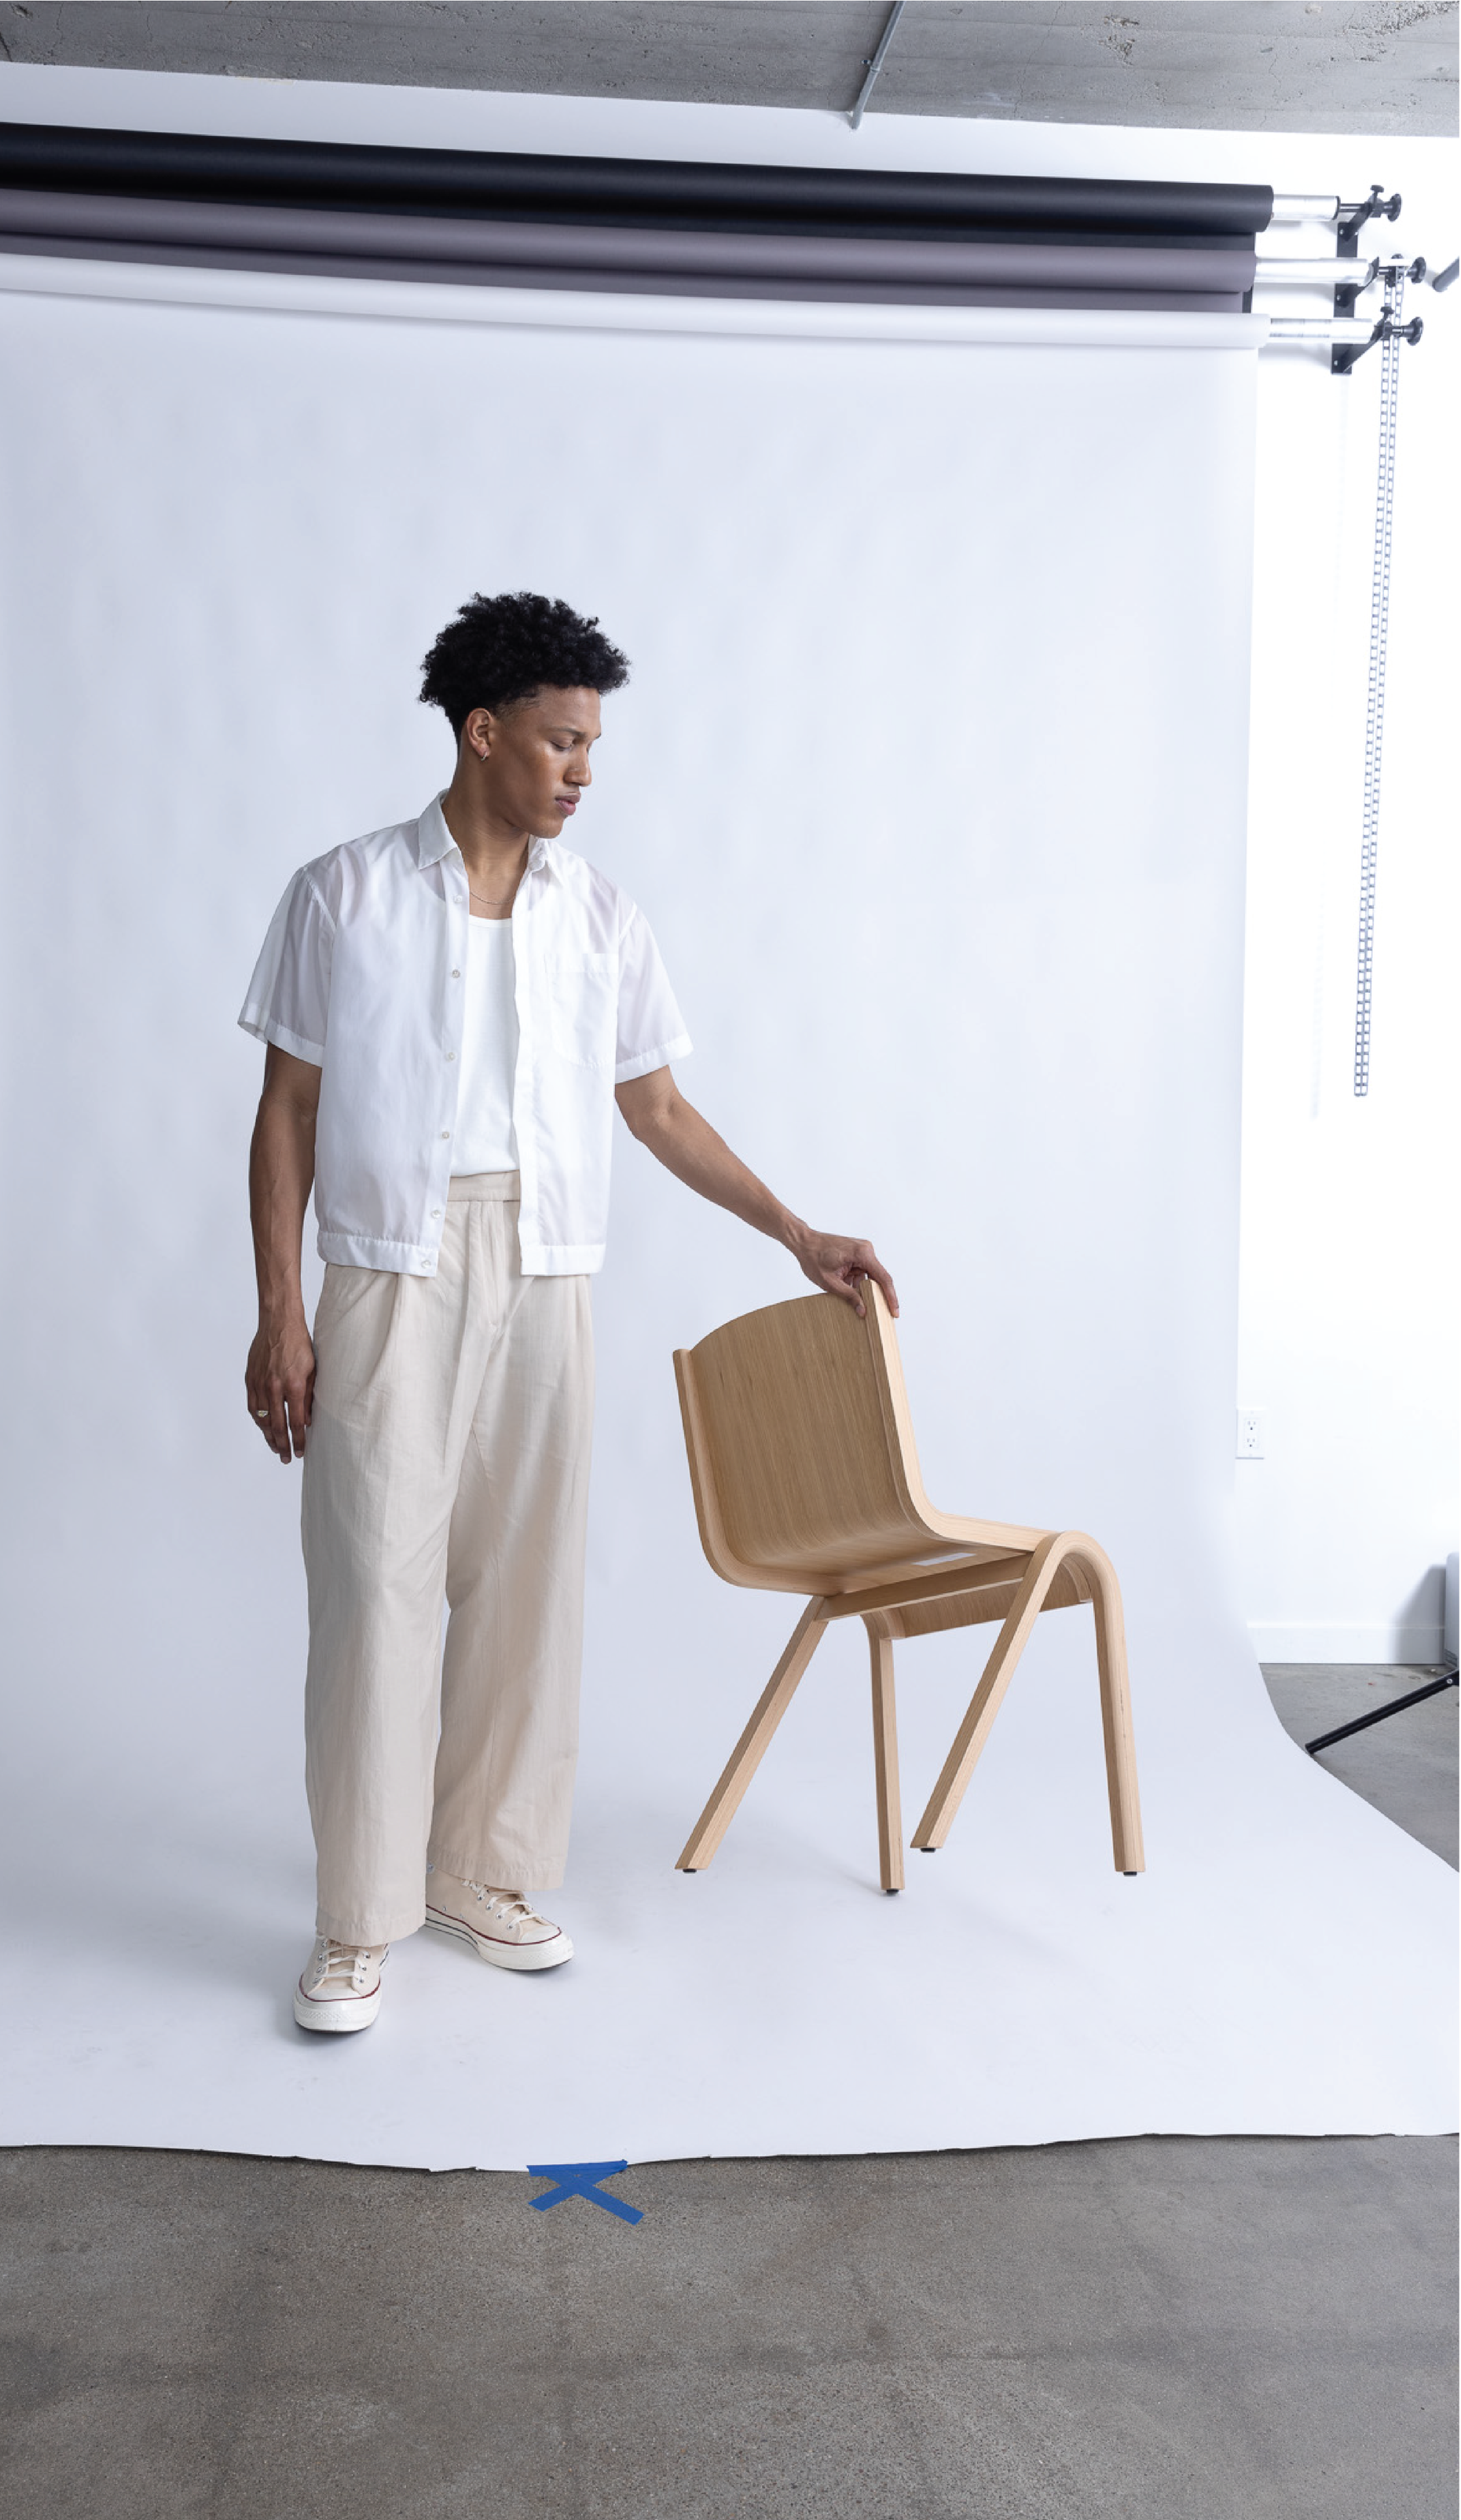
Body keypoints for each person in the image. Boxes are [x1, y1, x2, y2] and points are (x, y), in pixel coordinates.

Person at [241, 591, 897, 2034]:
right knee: (373, 1590)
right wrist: (280, 1309)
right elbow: (287, 1109)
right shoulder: (343, 894)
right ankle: (357, 1917)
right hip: (389, 1267)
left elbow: (656, 1107)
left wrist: (797, 1232)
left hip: (549, 1268)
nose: (584, 769)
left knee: (527, 1588)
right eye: (561, 741)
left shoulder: (598, 915)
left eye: (593, 744)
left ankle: (479, 1870)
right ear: (483, 733)